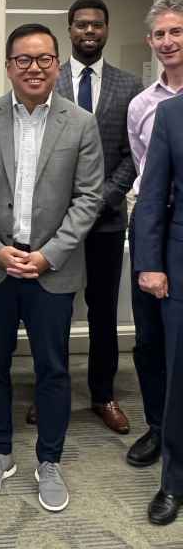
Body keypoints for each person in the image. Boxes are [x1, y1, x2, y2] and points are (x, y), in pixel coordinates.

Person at [0, 23, 103, 513]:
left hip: (52, 269)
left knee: (53, 369)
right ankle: (0, 453)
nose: (34, 67)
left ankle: (50, 460)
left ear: (57, 64)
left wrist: (50, 253)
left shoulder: (80, 123)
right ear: (8, 66)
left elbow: (88, 198)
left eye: (44, 59)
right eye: (23, 59)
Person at [22, 0, 142, 434]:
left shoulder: (129, 87)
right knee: (51, 311)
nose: (89, 32)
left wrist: (97, 201)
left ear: (106, 30)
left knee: (103, 312)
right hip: (53, 226)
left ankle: (102, 394)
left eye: (96, 25)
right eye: (80, 25)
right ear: (69, 30)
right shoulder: (45, 82)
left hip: (107, 222)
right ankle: (48, 390)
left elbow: (132, 157)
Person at [126, 0, 183, 471]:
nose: (168, 41)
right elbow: (145, 174)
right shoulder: (143, 105)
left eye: (177, 32)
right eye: (160, 34)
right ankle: (159, 428)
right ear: (150, 42)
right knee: (148, 340)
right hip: (150, 223)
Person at [134, 90, 183, 526]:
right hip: (181, 267)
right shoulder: (170, 115)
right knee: (180, 380)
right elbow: (151, 196)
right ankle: (174, 481)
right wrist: (150, 264)